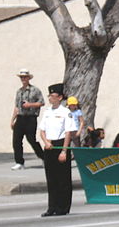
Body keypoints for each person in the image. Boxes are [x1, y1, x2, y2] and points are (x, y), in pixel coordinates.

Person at [38, 83, 77, 217]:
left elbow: (68, 133)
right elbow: (42, 130)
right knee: (51, 178)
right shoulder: (47, 112)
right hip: (50, 145)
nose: (50, 98)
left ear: (60, 97)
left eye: (53, 96)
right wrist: (46, 141)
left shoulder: (66, 112)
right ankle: (52, 207)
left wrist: (64, 151)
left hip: (61, 145)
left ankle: (63, 207)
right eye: (49, 96)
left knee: (63, 178)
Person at [11, 68, 45, 170]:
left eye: (25, 77)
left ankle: (43, 157)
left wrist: (30, 104)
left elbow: (42, 102)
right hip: (20, 118)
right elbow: (16, 107)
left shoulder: (35, 90)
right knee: (16, 140)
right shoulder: (19, 91)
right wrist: (12, 119)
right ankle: (19, 162)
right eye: (21, 77)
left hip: (31, 117)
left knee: (31, 139)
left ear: (28, 78)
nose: (23, 79)